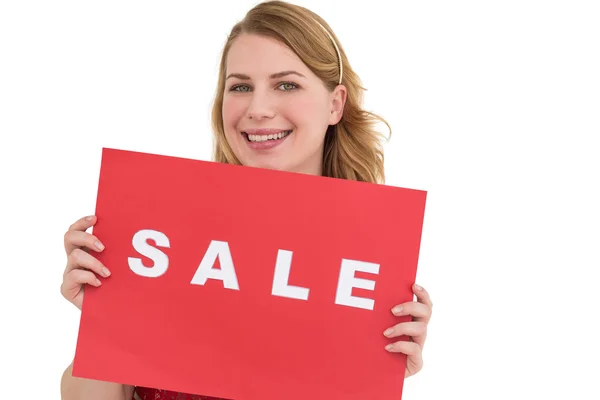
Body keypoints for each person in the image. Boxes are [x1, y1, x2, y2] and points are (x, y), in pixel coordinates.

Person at [60, 1, 434, 399]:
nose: (258, 109)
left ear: (335, 104)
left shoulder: (370, 261)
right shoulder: (164, 234)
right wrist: (107, 319)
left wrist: (375, 374)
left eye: (286, 84)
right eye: (240, 86)